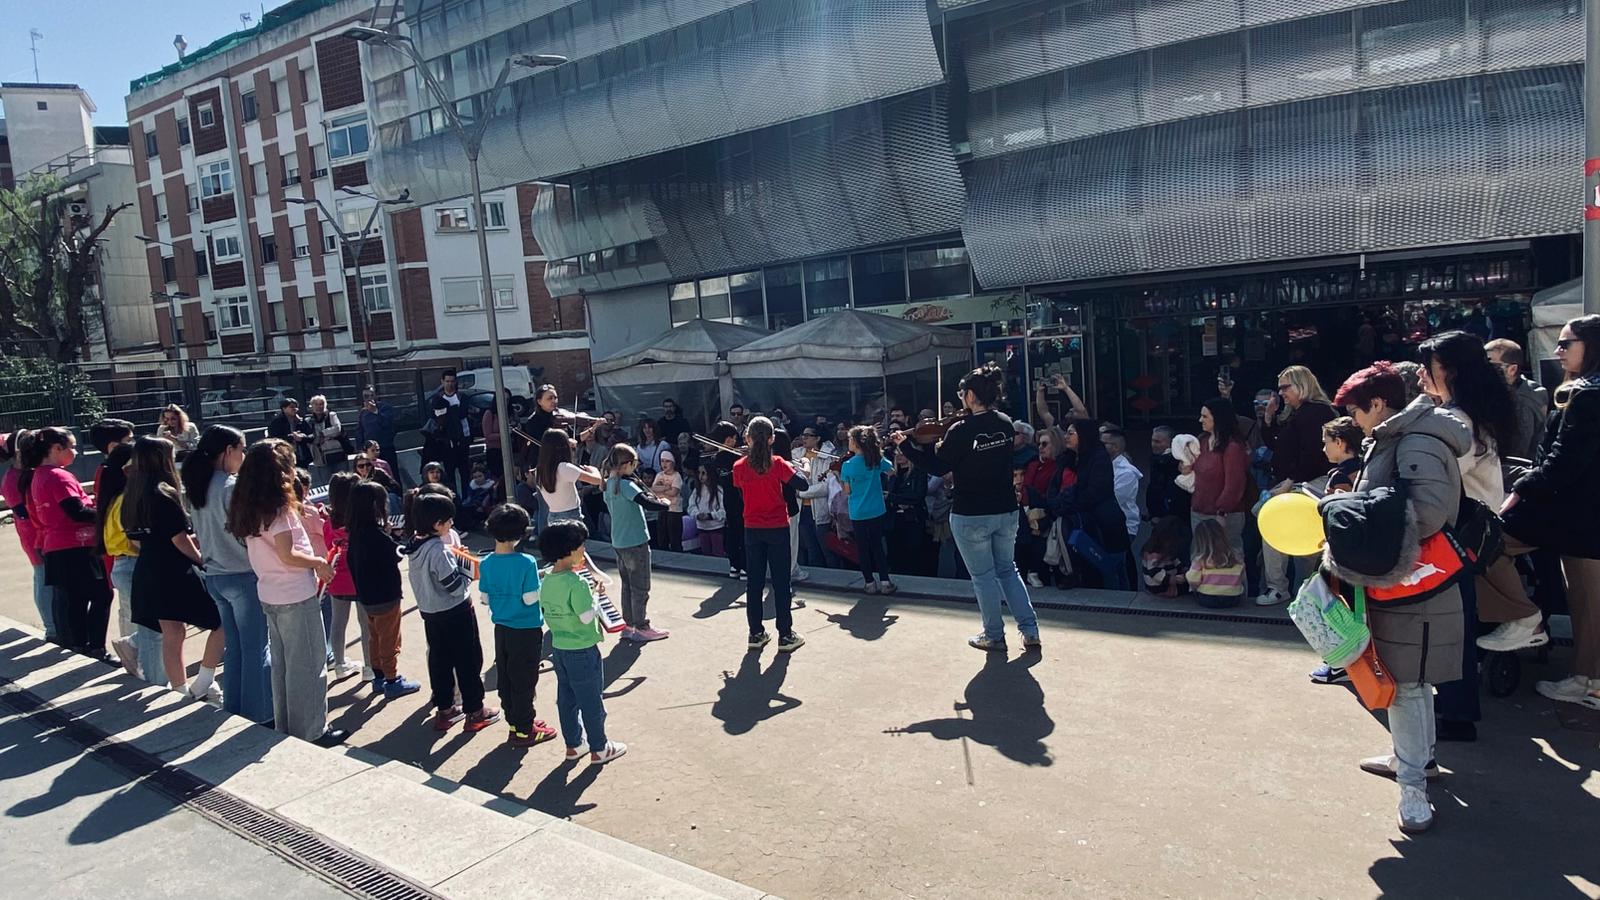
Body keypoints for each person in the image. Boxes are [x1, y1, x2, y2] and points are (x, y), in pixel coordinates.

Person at [1329, 362, 1470, 834]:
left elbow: (1426, 513)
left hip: (1411, 581)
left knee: (1406, 683)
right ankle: (1416, 761)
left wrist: (1349, 513)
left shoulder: (1414, 440)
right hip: (1407, 579)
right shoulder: (1402, 436)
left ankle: (1413, 787)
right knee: (1411, 680)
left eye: (1356, 410)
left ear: (1378, 404)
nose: (1354, 421)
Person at [894, 364, 1041, 651]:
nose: (961, 399)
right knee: (1008, 570)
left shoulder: (961, 430)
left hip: (971, 511)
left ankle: (994, 634)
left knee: (983, 577)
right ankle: (1030, 629)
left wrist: (907, 447)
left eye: (962, 394)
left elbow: (939, 467)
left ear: (971, 395)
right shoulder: (1004, 422)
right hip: (1005, 509)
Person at [1493, 315, 1600, 707]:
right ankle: (1586, 679)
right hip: (1582, 510)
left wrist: (1521, 487)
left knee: (1587, 601)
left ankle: (1585, 680)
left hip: (1578, 511)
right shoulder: (1586, 390)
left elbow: (1563, 461)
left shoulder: (1587, 394)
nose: (1558, 350)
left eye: (1566, 343)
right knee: (1587, 602)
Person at [1416, 331, 1516, 742]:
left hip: (1458, 534)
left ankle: (1456, 713)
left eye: (1428, 367)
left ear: (1451, 371)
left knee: (1449, 626)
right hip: (1467, 533)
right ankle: (1455, 707)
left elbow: (1437, 476)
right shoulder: (1470, 412)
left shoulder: (1458, 420)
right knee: (1454, 623)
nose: (1421, 375)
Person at [228, 439, 346, 747]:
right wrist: (318, 562)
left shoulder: (249, 507)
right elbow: (288, 554)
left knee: (282, 666)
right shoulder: (280, 510)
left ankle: (287, 723)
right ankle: (312, 731)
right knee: (308, 664)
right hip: (295, 593)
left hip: (270, 592)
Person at [183, 425, 273, 723]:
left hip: (215, 574)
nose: (243, 456)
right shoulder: (230, 487)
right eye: (241, 450)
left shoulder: (198, 486)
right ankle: (259, 714)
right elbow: (248, 532)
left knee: (235, 648)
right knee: (256, 648)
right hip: (242, 573)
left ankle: (234, 709)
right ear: (228, 451)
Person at [123, 435, 224, 699]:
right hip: (176, 569)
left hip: (148, 567)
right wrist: (202, 559)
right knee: (221, 620)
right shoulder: (164, 493)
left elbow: (134, 539)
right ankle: (204, 681)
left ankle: (179, 688)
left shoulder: (131, 494)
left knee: (172, 633)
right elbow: (179, 539)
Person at [404, 491, 501, 733]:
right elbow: (455, 587)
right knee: (468, 661)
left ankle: (445, 709)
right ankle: (475, 711)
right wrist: (467, 571)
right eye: (448, 520)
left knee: (440, 661)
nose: (451, 524)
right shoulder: (439, 550)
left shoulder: (414, 544)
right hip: (455, 612)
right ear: (437, 524)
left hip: (430, 612)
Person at [538, 519, 627, 764]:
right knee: (591, 701)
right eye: (581, 546)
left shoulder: (546, 578)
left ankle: (574, 744)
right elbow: (587, 616)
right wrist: (596, 595)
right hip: (583, 649)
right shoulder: (577, 582)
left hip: (560, 647)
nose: (584, 550)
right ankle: (600, 747)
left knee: (567, 699)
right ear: (569, 549)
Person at [1255, 367, 1339, 605]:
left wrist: (1290, 481)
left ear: (1302, 384)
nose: (1281, 393)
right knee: (1285, 529)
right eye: (1279, 388)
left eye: (1286, 387)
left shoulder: (1316, 412)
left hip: (1310, 482)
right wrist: (1269, 419)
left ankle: (1286, 587)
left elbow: (1313, 454)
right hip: (1296, 481)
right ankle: (1294, 589)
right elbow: (1279, 447)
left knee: (1286, 528)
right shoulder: (1297, 413)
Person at [29, 427, 112, 659]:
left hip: (58, 546)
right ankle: (96, 647)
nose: (75, 452)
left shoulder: (39, 474)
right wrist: (107, 514)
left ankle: (79, 645)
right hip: (76, 545)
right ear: (56, 449)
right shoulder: (59, 475)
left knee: (75, 600)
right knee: (100, 595)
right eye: (72, 447)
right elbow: (76, 511)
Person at [480, 502, 557, 747]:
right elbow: (530, 598)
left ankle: (516, 723)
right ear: (521, 533)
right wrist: (545, 582)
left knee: (506, 677)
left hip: (501, 628)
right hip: (526, 629)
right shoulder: (526, 562)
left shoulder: (486, 562)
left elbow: (485, 598)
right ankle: (525, 730)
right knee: (524, 680)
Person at [733, 417, 809, 652]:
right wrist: (802, 467)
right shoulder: (778, 463)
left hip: (752, 527)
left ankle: (755, 632)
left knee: (754, 583)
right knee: (781, 582)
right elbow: (803, 485)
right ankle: (785, 634)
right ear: (771, 439)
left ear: (748, 438)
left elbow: (741, 494)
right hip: (777, 526)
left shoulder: (739, 466)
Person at [344, 480, 421, 700]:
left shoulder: (356, 533)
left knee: (374, 637)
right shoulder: (377, 536)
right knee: (390, 639)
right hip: (386, 596)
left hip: (366, 597)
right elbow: (397, 554)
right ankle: (392, 680)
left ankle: (378, 677)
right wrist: (397, 539)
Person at [100, 443, 163, 683]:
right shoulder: (128, 500)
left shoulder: (114, 498)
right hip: (132, 564)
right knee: (149, 627)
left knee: (134, 619)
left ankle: (135, 663)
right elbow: (135, 540)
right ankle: (150, 675)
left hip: (122, 565)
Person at [603, 444, 673, 642]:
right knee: (640, 586)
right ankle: (641, 626)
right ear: (626, 464)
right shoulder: (626, 485)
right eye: (634, 463)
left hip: (619, 541)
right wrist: (665, 505)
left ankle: (628, 625)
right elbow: (648, 503)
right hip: (635, 541)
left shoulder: (608, 484)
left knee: (627, 586)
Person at [3, 430, 56, 642]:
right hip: (33, 534)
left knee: (47, 577)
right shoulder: (11, 480)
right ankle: (51, 628)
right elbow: (22, 512)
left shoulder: (33, 472)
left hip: (44, 531)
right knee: (42, 576)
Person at [321, 471, 373, 682]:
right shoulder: (362, 522)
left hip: (337, 579)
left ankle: (340, 663)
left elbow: (327, 547)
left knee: (338, 623)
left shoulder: (328, 523)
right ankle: (369, 667)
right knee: (365, 624)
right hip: (361, 578)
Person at [1190, 398, 1250, 559]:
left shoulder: (1232, 447)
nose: (1200, 420)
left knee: (1229, 557)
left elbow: (1234, 485)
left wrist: (1221, 512)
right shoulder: (1201, 441)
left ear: (1218, 418)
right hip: (1198, 510)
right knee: (1200, 557)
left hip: (1224, 514)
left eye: (1205, 416)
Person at [840, 425, 896, 594]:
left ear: (855, 442)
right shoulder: (875, 460)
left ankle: (869, 583)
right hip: (876, 509)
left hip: (857, 511)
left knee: (862, 548)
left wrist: (838, 477)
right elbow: (891, 471)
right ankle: (885, 581)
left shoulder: (847, 465)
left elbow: (847, 491)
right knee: (877, 546)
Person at [1484, 338, 1549, 462]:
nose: (1484, 371)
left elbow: (1517, 452)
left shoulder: (1523, 401)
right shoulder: (1506, 391)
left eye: (1491, 366)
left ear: (1512, 369)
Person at [537, 428, 603, 526]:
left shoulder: (540, 469)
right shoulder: (564, 468)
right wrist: (593, 470)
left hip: (552, 516)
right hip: (571, 517)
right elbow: (597, 480)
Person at [708, 421, 747, 578]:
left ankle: (734, 566)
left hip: (729, 498)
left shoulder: (716, 458)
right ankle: (744, 566)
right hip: (740, 498)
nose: (735, 441)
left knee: (732, 532)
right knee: (742, 532)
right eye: (733, 438)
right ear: (727, 439)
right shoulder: (732, 458)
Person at [427, 370, 473, 497]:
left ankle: (467, 498)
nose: (450, 384)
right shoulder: (437, 398)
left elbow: (462, 414)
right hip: (446, 441)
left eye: (452, 381)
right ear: (442, 382)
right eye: (447, 381)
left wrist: (447, 413)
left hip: (462, 439)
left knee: (464, 471)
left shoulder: (462, 397)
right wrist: (450, 413)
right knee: (449, 472)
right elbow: (435, 417)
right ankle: (453, 497)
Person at [887, 445, 930, 577]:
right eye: (897, 453)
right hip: (895, 520)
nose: (899, 455)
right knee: (895, 555)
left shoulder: (918, 472)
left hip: (912, 520)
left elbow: (917, 496)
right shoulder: (893, 475)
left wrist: (894, 498)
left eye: (902, 452)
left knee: (912, 555)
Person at [1186, 518, 1244, 609]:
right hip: (1233, 598)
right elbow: (1242, 575)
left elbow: (1193, 580)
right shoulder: (1235, 556)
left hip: (1208, 598)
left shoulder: (1200, 559)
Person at [1101, 427, 1142, 548]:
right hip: (1103, 526)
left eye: (1103, 444)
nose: (1099, 447)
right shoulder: (1102, 466)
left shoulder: (1127, 472)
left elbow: (1112, 499)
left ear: (1116, 447)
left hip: (1122, 528)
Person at [1144, 426, 1189, 523]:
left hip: (1171, 516)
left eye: (1158, 442)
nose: (1153, 445)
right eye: (1152, 441)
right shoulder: (1156, 460)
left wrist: (1158, 514)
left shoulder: (1175, 463)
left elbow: (1168, 491)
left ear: (1171, 443)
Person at [1141, 516, 1188, 598]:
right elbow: (1155, 573)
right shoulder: (1154, 554)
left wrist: (1183, 568)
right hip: (1160, 587)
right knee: (1190, 588)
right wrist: (1173, 579)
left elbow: (1175, 560)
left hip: (1168, 581)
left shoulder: (1166, 550)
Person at [356, 388, 399, 477]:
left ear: (376, 396)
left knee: (391, 475)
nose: (369, 398)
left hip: (385, 447)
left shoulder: (385, 408)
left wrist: (375, 411)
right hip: (369, 451)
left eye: (372, 395)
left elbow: (388, 424)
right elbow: (360, 431)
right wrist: (360, 448)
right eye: (366, 396)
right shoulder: (363, 412)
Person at [687, 464, 727, 557]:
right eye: (699, 473)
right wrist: (697, 514)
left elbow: (724, 510)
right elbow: (691, 506)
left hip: (716, 527)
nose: (700, 476)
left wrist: (710, 515)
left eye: (703, 473)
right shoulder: (697, 490)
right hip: (702, 527)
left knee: (717, 553)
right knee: (706, 554)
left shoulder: (718, 490)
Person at [650, 450, 684, 552]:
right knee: (662, 535)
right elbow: (653, 489)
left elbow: (674, 492)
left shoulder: (676, 476)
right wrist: (666, 487)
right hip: (662, 507)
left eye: (667, 461)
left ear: (673, 463)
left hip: (674, 509)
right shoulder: (659, 475)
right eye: (662, 461)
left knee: (674, 536)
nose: (664, 464)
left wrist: (661, 489)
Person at [1321, 417, 1365, 495]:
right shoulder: (1365, 466)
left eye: (1325, 443)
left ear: (1338, 442)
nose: (1324, 449)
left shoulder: (1340, 477)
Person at [268, 398, 314, 467]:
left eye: (296, 407)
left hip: (302, 456)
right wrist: (291, 437)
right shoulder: (276, 422)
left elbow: (311, 435)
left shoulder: (301, 421)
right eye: (292, 407)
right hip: (285, 457)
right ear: (284, 409)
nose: (295, 409)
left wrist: (303, 437)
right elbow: (273, 439)